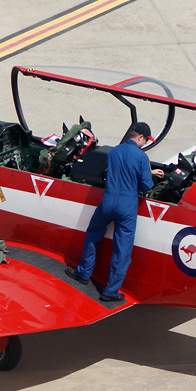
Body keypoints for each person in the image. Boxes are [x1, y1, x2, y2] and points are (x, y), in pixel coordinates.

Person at [66, 122, 164, 302]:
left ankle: (83, 273)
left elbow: (121, 170)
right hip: (126, 207)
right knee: (122, 251)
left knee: (93, 235)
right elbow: (146, 185)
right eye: (145, 140)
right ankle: (110, 292)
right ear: (140, 137)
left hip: (108, 202)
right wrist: (149, 173)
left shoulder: (113, 152)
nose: (145, 144)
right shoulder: (141, 158)